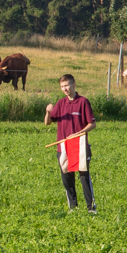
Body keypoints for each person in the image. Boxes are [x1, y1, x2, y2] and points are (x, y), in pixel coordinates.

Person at [44, 73, 97, 213]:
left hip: (80, 146)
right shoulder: (61, 103)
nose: (65, 89)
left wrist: (79, 133)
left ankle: (91, 208)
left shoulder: (83, 102)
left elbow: (92, 124)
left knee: (84, 176)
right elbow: (47, 123)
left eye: (67, 85)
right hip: (63, 147)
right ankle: (73, 207)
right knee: (67, 177)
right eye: (62, 86)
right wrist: (48, 112)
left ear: (73, 85)